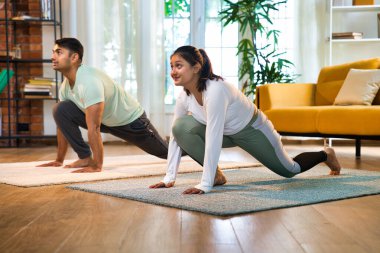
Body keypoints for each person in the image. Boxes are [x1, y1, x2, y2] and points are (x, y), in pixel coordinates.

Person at [150, 45, 341, 194]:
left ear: (196, 67)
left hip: (252, 130)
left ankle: (326, 154)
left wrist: (204, 184)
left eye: (179, 66)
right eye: (172, 66)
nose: (173, 71)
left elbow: (213, 136)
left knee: (290, 170)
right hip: (226, 132)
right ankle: (216, 176)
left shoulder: (216, 90)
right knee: (180, 127)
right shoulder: (185, 97)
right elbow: (176, 137)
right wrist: (169, 178)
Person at [38, 38, 168, 173]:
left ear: (74, 57)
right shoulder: (66, 86)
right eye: (53, 52)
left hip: (131, 121)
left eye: (59, 52)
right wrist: (59, 160)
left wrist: (97, 166)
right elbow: (62, 124)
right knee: (60, 109)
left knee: (167, 153)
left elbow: (94, 128)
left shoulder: (89, 81)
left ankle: (188, 146)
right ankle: (85, 157)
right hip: (107, 121)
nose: (52, 57)